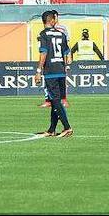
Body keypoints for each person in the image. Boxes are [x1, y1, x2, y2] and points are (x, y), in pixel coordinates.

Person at [33, 10, 73, 138]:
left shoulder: (43, 34)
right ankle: (51, 130)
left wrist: (38, 71)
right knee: (55, 100)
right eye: (54, 19)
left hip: (51, 71)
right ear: (51, 20)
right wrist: (65, 66)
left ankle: (67, 127)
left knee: (55, 101)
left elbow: (43, 53)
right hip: (61, 71)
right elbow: (66, 53)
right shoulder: (61, 34)